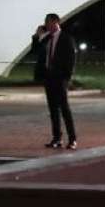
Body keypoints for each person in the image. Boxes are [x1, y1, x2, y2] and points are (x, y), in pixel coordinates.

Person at [34, 13, 77, 149]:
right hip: (48, 78)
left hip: (60, 78)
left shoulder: (66, 39)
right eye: (45, 22)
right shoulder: (46, 39)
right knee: (53, 110)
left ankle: (72, 139)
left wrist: (67, 78)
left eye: (48, 22)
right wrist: (37, 36)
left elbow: (71, 60)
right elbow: (36, 51)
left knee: (64, 109)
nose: (46, 25)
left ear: (56, 22)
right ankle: (57, 138)